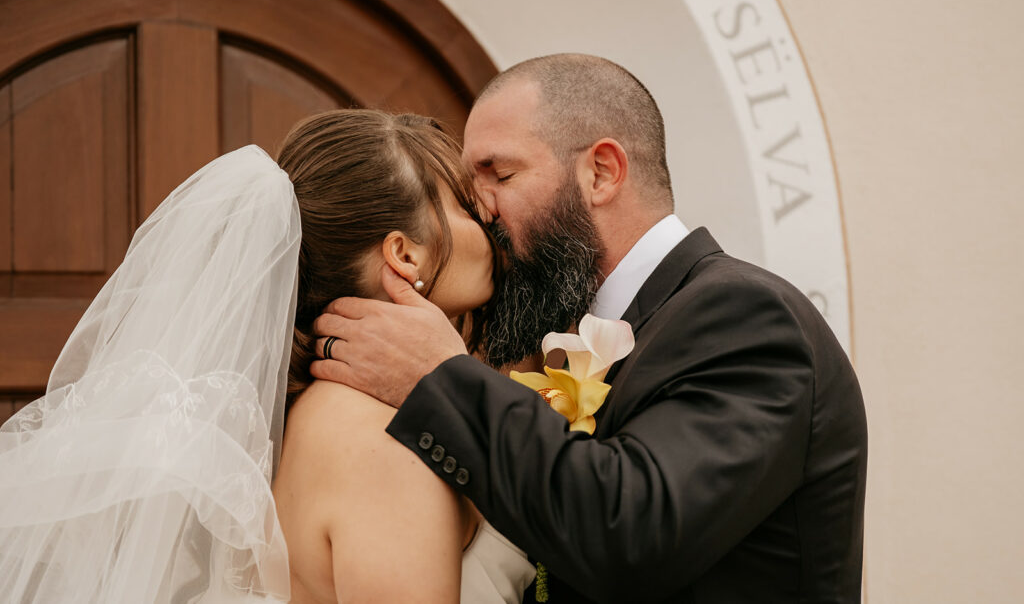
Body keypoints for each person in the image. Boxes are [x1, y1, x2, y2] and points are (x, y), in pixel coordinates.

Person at [311, 54, 869, 603]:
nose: (482, 210)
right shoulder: (587, 333)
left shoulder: (746, 317)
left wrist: (439, 377)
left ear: (601, 173)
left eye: (500, 175)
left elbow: (631, 533)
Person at [0, 110, 535, 603]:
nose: (489, 218)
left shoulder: (299, 412)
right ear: (403, 254)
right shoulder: (382, 442)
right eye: (465, 206)